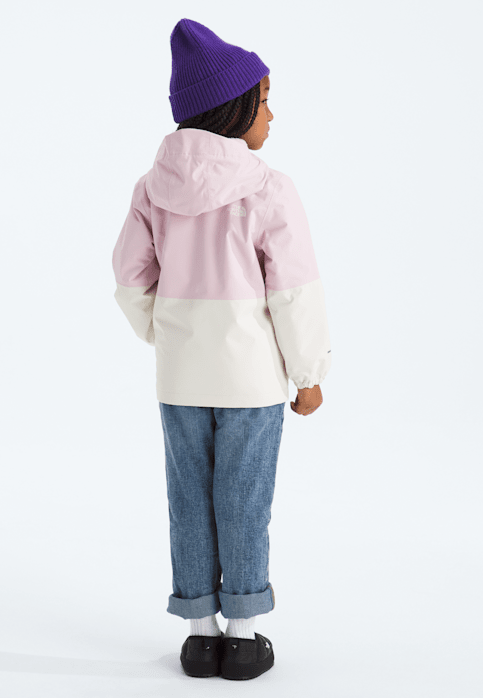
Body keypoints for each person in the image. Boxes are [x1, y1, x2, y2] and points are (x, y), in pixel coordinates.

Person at [111, 18, 332, 680]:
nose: (272, 115)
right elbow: (293, 292)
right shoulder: (268, 188)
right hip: (251, 381)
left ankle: (198, 634)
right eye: (264, 101)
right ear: (232, 107)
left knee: (188, 498)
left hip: (180, 379)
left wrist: (168, 332)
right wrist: (308, 373)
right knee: (243, 499)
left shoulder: (151, 188)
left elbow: (129, 278)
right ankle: (243, 635)